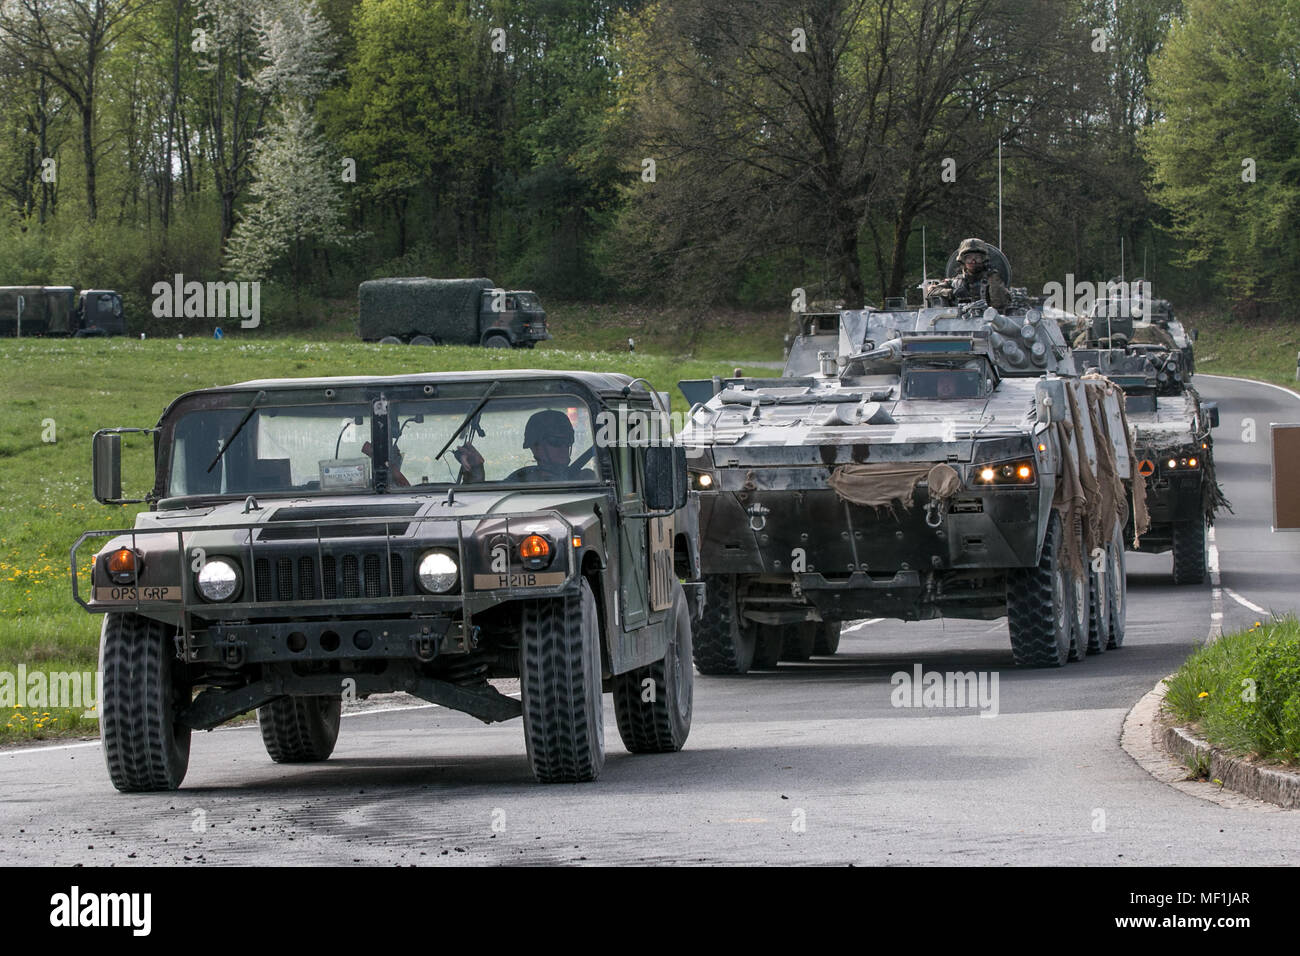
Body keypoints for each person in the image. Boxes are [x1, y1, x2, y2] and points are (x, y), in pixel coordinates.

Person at [454, 409, 593, 483]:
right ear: (535, 446)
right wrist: (475, 469)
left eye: (567, 442)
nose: (563, 448)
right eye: (555, 442)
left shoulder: (585, 478)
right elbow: (483, 504)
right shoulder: (520, 479)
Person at [924, 238, 1010, 309]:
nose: (973, 261)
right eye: (969, 258)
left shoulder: (993, 280)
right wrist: (951, 293)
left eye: (977, 258)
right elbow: (931, 291)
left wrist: (993, 278)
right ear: (962, 260)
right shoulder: (955, 282)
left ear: (984, 260)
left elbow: (1000, 303)